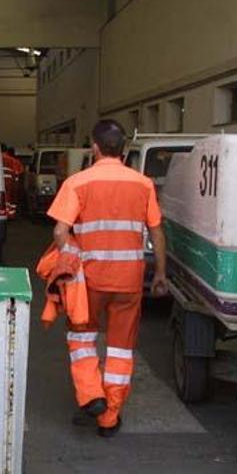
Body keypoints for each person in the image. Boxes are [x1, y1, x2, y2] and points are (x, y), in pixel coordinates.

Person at [47, 119, 168, 437]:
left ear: (94, 147)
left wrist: (70, 256)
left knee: (82, 340)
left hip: (90, 281)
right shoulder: (143, 184)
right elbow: (156, 230)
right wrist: (160, 273)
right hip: (129, 281)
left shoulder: (77, 182)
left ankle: (91, 396)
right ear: (125, 150)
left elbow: (60, 231)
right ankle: (109, 417)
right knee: (120, 349)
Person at [1, 146, 24, 219]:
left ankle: (3, 213)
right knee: (10, 200)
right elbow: (20, 171)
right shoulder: (13, 160)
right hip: (11, 182)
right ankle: (10, 214)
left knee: (2, 198)